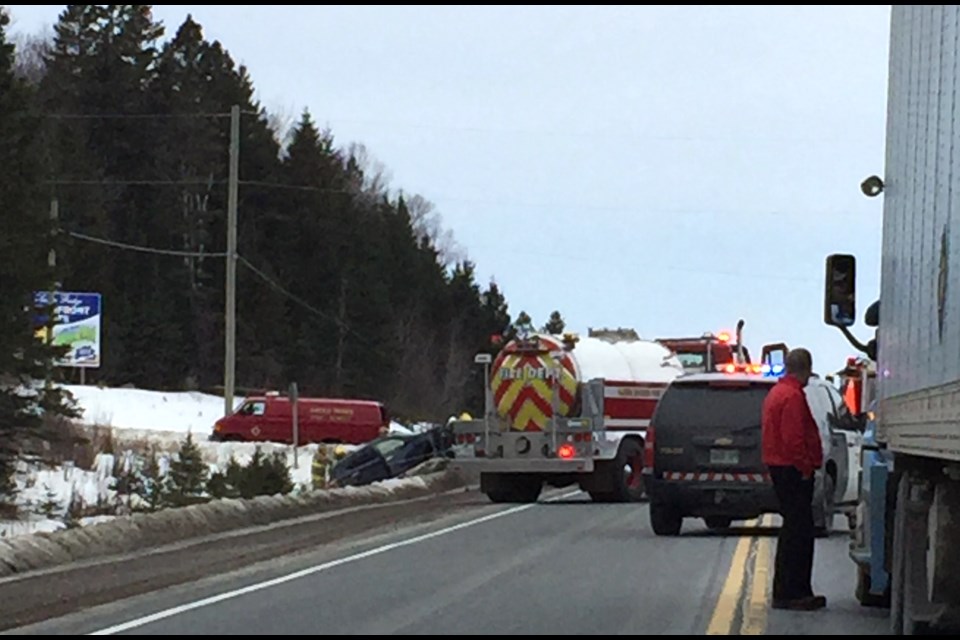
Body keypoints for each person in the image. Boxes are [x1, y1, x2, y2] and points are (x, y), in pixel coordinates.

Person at [761, 347, 826, 611]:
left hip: (780, 467)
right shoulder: (792, 396)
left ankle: (786, 590)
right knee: (800, 532)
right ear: (806, 368)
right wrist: (806, 467)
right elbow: (794, 438)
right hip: (791, 469)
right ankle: (794, 591)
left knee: (792, 529)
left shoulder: (777, 392)